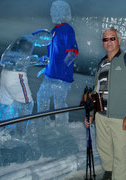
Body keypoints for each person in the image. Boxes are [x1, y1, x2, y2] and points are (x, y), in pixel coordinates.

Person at [85, 28, 126, 180]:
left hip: (121, 117)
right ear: (103, 43)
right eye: (105, 39)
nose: (109, 42)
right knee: (103, 149)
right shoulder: (102, 63)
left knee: (120, 154)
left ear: (119, 40)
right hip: (101, 116)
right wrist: (92, 114)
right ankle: (109, 172)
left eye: (112, 38)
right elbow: (97, 90)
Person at [0, 29, 52, 136]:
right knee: (26, 104)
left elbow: (4, 59)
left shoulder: (22, 39)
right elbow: (20, 60)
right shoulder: (29, 41)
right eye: (45, 42)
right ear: (42, 37)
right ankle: (18, 135)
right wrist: (39, 60)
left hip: (5, 73)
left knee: (4, 103)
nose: (42, 45)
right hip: (16, 76)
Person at [37, 0, 79, 130]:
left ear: (62, 12)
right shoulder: (54, 30)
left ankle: (62, 131)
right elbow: (52, 54)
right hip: (50, 76)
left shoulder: (67, 30)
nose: (51, 12)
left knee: (59, 104)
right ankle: (43, 127)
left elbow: (73, 53)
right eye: (51, 10)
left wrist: (61, 70)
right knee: (41, 97)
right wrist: (46, 68)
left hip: (60, 78)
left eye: (54, 10)